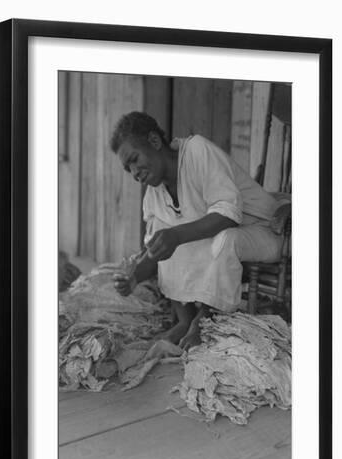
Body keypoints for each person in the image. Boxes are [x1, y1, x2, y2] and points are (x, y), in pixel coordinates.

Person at [110, 111, 284, 349]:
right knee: (166, 241)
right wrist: (134, 277)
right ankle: (185, 320)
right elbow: (154, 249)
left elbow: (228, 213)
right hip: (227, 241)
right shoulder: (154, 194)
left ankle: (205, 321)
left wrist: (176, 235)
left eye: (134, 159)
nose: (134, 173)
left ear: (154, 141)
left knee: (219, 238)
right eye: (127, 169)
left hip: (267, 230)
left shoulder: (197, 151)